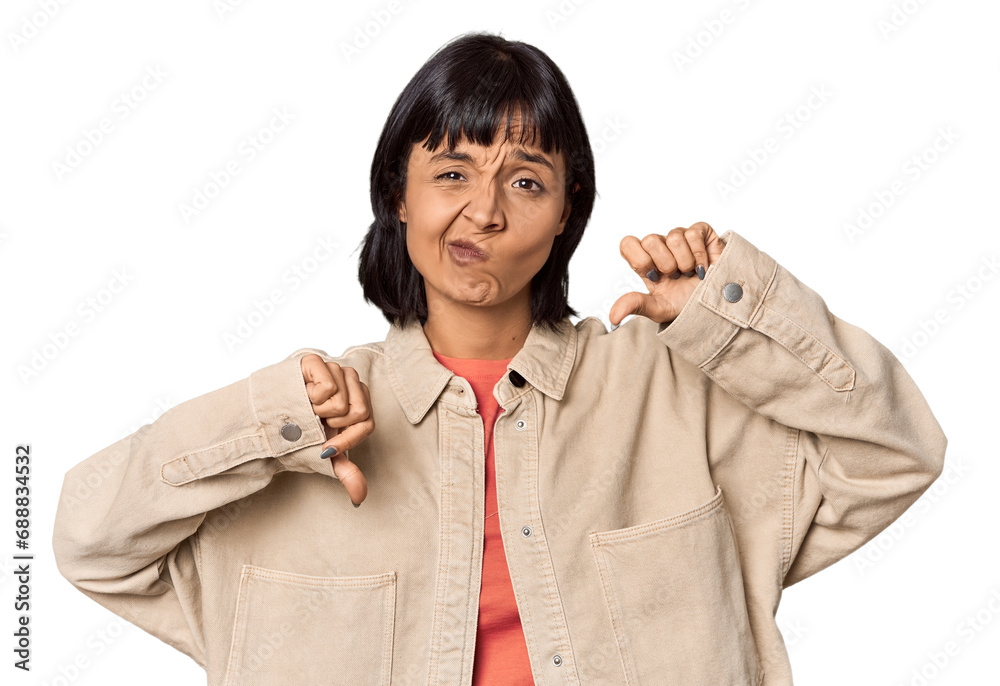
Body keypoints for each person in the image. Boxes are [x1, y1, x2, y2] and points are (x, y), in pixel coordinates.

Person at [52, 31, 947, 685]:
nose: (483, 211)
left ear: (565, 215)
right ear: (398, 195)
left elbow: (895, 452)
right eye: (451, 172)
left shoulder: (673, 395)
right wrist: (267, 425)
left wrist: (732, 315)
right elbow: (89, 541)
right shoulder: (308, 428)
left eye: (524, 180)